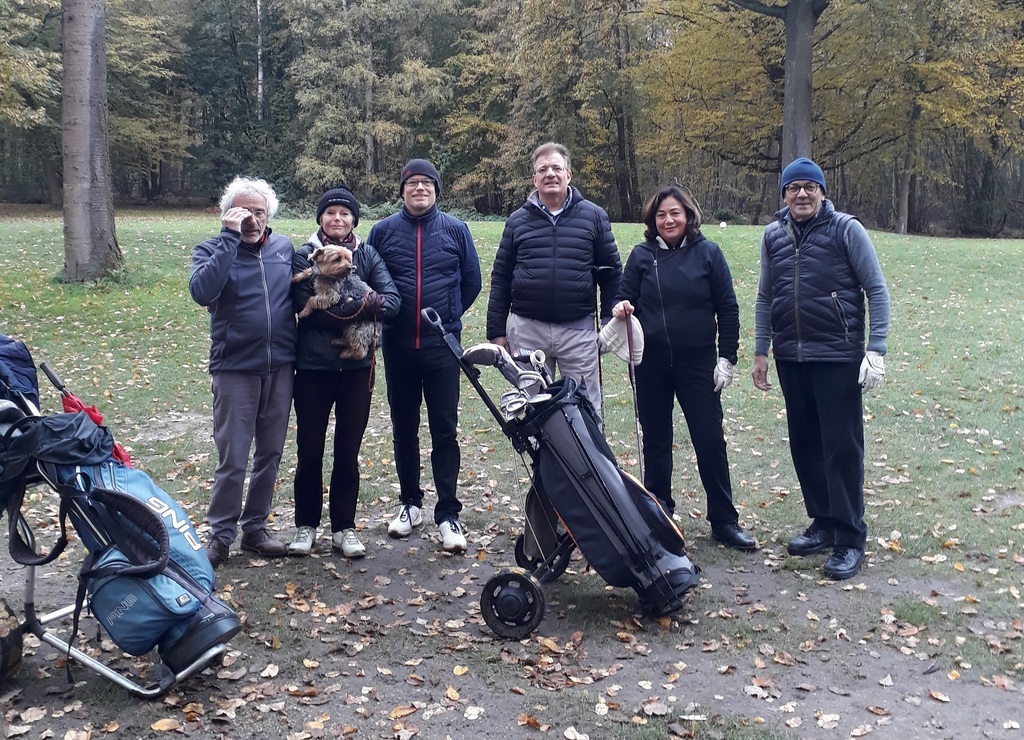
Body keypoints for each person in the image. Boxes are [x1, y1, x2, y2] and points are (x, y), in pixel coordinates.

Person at [752, 157, 890, 581]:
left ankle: (850, 536)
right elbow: (765, 296)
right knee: (806, 443)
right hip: (791, 356)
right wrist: (761, 351)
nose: (801, 194)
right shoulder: (773, 236)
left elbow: (876, 289)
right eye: (793, 188)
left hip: (837, 355)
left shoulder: (846, 230)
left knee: (841, 448)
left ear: (822, 192)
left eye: (809, 187)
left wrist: (876, 349)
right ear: (784, 195)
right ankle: (824, 522)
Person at [611, 185, 757, 552]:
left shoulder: (709, 253)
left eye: (674, 213)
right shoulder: (642, 256)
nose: (668, 220)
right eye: (661, 215)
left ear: (688, 215)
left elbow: (728, 308)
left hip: (698, 364)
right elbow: (623, 297)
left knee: (709, 440)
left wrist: (726, 358)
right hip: (651, 365)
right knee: (656, 441)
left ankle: (724, 521)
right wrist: (620, 308)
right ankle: (659, 514)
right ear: (653, 220)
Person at [368, 159, 482, 552]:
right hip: (398, 346)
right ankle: (410, 503)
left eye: (426, 183)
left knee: (444, 431)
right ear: (402, 190)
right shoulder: (382, 232)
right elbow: (372, 281)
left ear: (436, 189)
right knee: (404, 429)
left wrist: (447, 316)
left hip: (441, 348)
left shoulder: (456, 229)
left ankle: (448, 512)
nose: (419, 188)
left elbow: (472, 281)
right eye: (412, 183)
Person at [288, 186, 401, 558]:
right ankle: (306, 525)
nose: (337, 218)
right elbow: (307, 308)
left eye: (345, 213)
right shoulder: (305, 255)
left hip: (357, 370)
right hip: (313, 366)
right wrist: (360, 307)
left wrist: (361, 305)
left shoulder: (366, 255)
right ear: (320, 218)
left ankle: (344, 527)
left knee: (348, 451)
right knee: (309, 449)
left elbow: (392, 300)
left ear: (354, 219)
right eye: (330, 212)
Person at [189, 177, 296, 567]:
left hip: (280, 366)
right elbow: (202, 292)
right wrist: (228, 240)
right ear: (227, 215)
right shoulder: (211, 250)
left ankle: (255, 529)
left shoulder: (284, 249)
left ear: (269, 216)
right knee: (233, 457)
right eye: (242, 211)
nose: (252, 219)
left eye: (259, 212)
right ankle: (221, 535)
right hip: (234, 368)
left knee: (270, 453)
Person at [485, 142, 622, 419]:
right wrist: (496, 331)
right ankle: (540, 452)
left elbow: (611, 274)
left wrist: (609, 320)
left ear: (568, 175)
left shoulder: (594, 217)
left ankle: (584, 451)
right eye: (543, 169)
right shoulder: (517, 222)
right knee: (533, 412)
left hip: (578, 332)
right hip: (527, 331)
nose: (550, 174)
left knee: (585, 412)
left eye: (556, 168)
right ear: (534, 179)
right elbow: (501, 278)